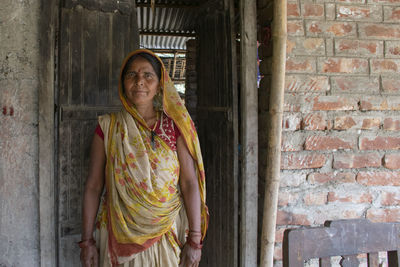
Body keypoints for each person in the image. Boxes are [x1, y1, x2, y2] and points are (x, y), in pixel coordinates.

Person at [79, 49, 208, 267]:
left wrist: (195, 240)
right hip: (118, 233)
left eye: (148, 75)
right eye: (132, 75)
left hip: (166, 234)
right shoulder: (108, 128)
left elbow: (188, 183)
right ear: (123, 83)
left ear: (160, 85)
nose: (140, 81)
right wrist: (87, 241)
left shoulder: (175, 127)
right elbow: (93, 186)